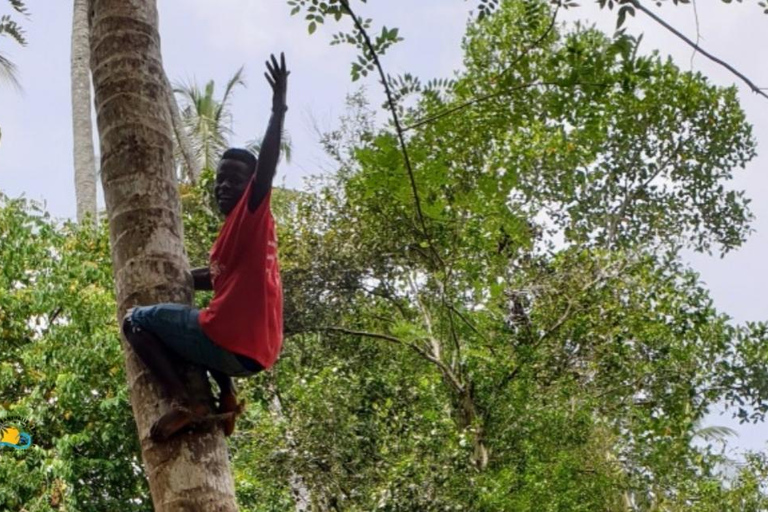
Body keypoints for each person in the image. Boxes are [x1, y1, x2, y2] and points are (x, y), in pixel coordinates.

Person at [121, 53, 289, 442]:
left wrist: (278, 108)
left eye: (234, 181)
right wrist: (180, 277)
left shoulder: (253, 214)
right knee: (204, 317)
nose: (223, 187)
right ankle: (227, 397)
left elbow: (266, 165)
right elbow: (212, 280)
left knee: (137, 321)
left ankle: (185, 404)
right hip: (253, 353)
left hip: (235, 346)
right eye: (219, 181)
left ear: (250, 188)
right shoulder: (234, 238)